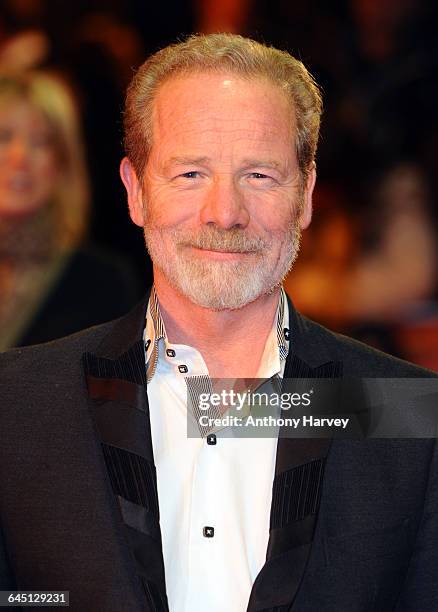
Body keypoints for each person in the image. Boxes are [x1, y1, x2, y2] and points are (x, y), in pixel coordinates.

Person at [0, 33, 437, 612]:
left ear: (305, 195)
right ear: (136, 192)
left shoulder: (404, 411)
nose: (225, 213)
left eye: (259, 175)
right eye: (190, 175)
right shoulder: (19, 401)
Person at [0, 71, 141, 349]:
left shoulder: (103, 282)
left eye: (40, 142)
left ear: (62, 164)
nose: (19, 157)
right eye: (3, 136)